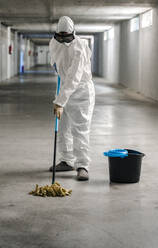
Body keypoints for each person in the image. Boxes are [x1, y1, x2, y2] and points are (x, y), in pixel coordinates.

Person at [49, 16, 95, 181]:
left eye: (66, 36)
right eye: (60, 36)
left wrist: (59, 102)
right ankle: (66, 160)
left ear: (73, 33)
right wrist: (60, 98)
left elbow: (74, 79)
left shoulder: (80, 47)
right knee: (62, 128)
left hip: (81, 93)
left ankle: (82, 166)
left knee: (80, 130)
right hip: (63, 89)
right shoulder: (54, 43)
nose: (63, 40)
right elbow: (56, 64)